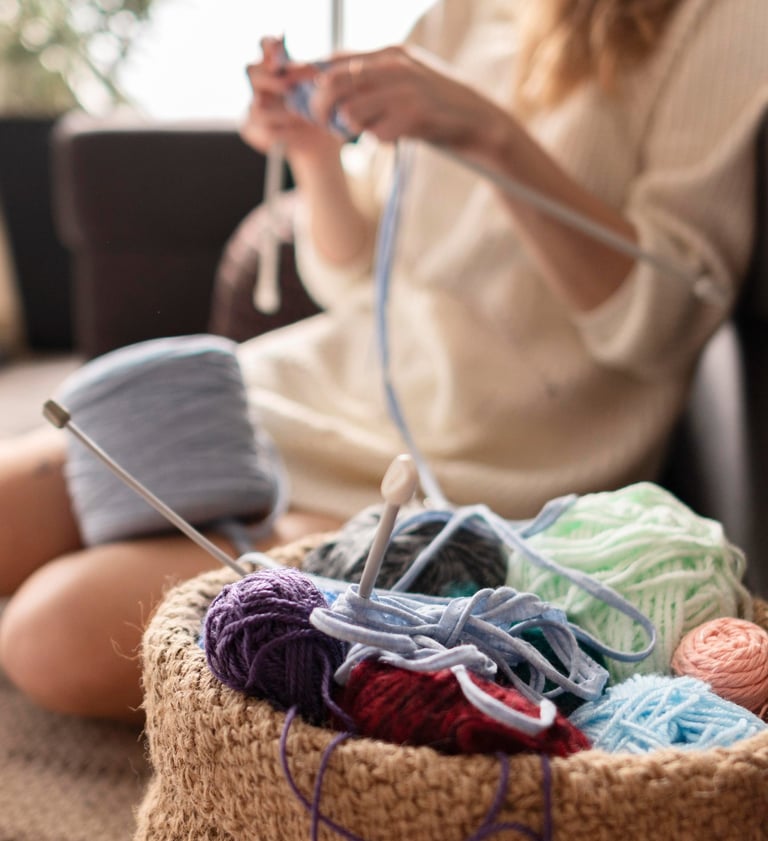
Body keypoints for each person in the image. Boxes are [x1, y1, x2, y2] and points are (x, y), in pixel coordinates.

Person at [1, 0, 766, 723]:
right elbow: (356, 270)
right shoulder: (458, 14)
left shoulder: (721, 20)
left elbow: (662, 321)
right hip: (303, 392)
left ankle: (312, 547)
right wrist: (316, 155)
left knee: (50, 634)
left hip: (444, 473)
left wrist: (487, 134)